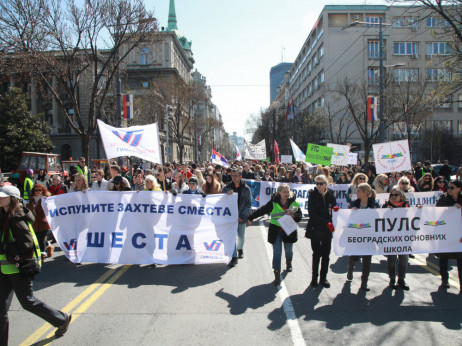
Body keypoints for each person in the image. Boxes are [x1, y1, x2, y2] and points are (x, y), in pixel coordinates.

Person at [0, 185, 71, 344]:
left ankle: (61, 319)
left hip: (19, 269)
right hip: (4, 269)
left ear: (12, 199)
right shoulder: (4, 215)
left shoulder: (16, 219)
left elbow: (26, 245)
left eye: (2, 196)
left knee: (28, 302)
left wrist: (5, 247)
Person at [248, 184, 302, 285]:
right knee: (277, 252)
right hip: (276, 231)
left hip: (289, 231)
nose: (286, 194)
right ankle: (277, 274)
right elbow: (262, 210)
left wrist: (294, 215)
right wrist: (251, 217)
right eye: (284, 192)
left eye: (287, 192)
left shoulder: (294, 203)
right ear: (279, 192)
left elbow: (299, 216)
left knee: (288, 250)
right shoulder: (274, 202)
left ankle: (288, 262)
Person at [305, 174, 337, 288]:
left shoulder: (331, 194)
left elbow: (333, 207)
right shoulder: (312, 195)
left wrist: (336, 210)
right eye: (317, 183)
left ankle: (323, 278)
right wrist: (326, 222)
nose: (319, 185)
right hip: (316, 228)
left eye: (321, 183)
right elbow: (312, 214)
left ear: (326, 184)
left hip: (327, 230)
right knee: (316, 254)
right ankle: (314, 278)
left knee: (326, 255)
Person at [347, 183, 379, 291]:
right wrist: (353, 212)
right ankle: (350, 269)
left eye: (359, 191)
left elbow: (378, 217)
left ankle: (364, 282)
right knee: (354, 257)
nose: (357, 193)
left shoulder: (373, 204)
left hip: (369, 236)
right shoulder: (355, 203)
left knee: (367, 260)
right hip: (357, 235)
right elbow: (348, 218)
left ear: (365, 192)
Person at [435, 180, 462, 292]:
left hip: (459, 234)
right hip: (446, 232)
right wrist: (452, 207)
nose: (449, 190)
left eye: (452, 188)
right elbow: (438, 213)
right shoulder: (443, 198)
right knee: (444, 257)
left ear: (459, 189)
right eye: (449, 187)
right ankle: (444, 280)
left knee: (460, 260)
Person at [383, 187, 411, 290]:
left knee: (404, 259)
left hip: (404, 237)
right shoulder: (386, 206)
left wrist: (419, 210)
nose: (393, 197)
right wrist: (386, 212)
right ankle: (392, 279)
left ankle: (401, 279)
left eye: (396, 195)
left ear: (401, 196)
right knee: (392, 259)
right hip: (391, 237)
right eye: (392, 195)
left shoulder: (407, 206)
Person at [222, 169, 252, 267]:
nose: (234, 178)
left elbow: (248, 204)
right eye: (232, 176)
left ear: (240, 176)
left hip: (241, 217)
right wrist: (226, 192)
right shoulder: (228, 187)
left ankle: (240, 249)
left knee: (241, 237)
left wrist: (242, 216)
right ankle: (234, 257)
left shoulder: (246, 189)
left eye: (236, 175)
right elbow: (221, 195)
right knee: (232, 237)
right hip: (230, 217)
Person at [28, 184, 54, 261]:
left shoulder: (45, 199)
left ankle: (42, 255)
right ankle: (49, 246)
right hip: (35, 223)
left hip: (43, 223)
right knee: (38, 238)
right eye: (36, 190)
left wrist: (47, 200)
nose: (38, 192)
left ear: (43, 191)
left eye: (40, 190)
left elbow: (51, 207)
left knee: (41, 239)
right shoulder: (31, 200)